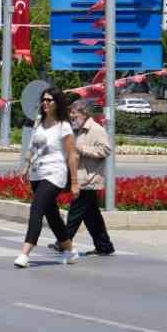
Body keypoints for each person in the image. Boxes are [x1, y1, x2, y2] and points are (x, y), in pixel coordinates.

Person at [14, 87, 79, 269]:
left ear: (57, 103)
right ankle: (70, 250)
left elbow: (72, 154)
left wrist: (74, 182)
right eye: (44, 100)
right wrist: (26, 166)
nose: (45, 103)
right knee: (52, 215)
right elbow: (32, 146)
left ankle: (25, 252)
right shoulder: (39, 123)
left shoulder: (63, 126)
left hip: (55, 173)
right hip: (37, 172)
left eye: (49, 100)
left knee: (37, 208)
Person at [61, 98, 114, 256]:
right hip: (80, 176)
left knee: (75, 212)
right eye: (70, 114)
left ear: (84, 114)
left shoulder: (96, 130)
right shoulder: (77, 130)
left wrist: (81, 148)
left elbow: (105, 150)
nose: (71, 116)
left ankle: (63, 241)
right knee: (92, 217)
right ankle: (104, 245)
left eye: (74, 114)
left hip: (89, 178)